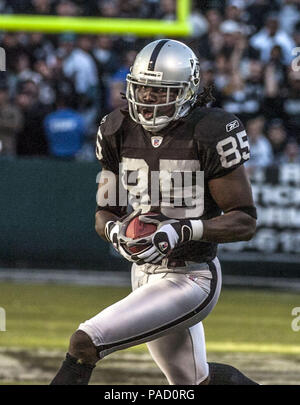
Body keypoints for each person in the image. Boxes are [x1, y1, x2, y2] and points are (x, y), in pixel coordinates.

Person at [50, 39, 258, 385]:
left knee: (84, 344)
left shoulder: (210, 131)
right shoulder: (116, 129)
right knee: (194, 383)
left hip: (191, 276)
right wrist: (116, 232)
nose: (147, 99)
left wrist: (184, 229)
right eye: (143, 89)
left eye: (160, 92)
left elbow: (245, 220)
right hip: (143, 272)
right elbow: (105, 211)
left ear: (188, 90)